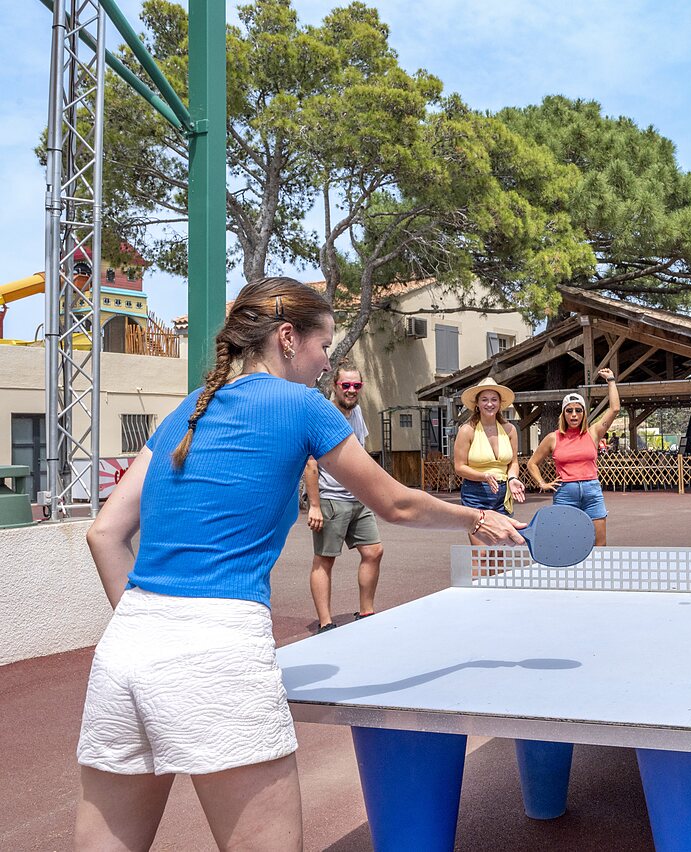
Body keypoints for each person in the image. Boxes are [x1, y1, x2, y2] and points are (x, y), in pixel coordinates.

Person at [76, 277, 524, 851]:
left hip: (125, 650)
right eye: (323, 347)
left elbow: (103, 533)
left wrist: (150, 634)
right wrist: (474, 518)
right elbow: (396, 502)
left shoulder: (186, 411)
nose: (324, 364)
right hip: (217, 648)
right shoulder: (304, 406)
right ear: (288, 338)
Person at [304, 363, 382, 632]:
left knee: (374, 551)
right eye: (345, 385)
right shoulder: (324, 414)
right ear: (335, 386)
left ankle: (367, 611)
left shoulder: (357, 412)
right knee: (325, 559)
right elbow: (310, 464)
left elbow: (361, 453)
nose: (351, 390)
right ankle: (326, 622)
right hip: (331, 500)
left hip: (358, 498)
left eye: (356, 386)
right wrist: (314, 505)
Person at [527, 368, 621, 545]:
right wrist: (542, 483)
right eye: (569, 411)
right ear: (563, 414)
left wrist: (611, 380)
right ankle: (572, 573)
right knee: (567, 543)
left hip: (591, 491)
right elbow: (532, 463)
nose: (574, 415)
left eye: (578, 410)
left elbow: (615, 408)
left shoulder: (593, 433)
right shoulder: (553, 438)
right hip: (565, 494)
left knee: (599, 543)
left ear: (584, 413)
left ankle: (596, 573)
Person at [452, 377, 526, 546]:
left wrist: (513, 478)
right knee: (482, 554)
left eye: (494, 399)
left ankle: (496, 574)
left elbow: (513, 462)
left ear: (500, 403)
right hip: (475, 493)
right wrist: (483, 476)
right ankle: (479, 574)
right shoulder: (467, 430)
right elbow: (459, 467)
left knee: (499, 552)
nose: (489, 404)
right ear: (477, 404)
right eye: (484, 400)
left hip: (502, 493)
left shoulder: (509, 429)